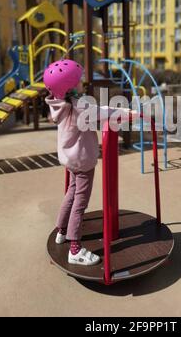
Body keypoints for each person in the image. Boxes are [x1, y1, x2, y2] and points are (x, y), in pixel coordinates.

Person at [44, 59, 133, 267]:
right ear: (70, 86)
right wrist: (126, 113)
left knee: (71, 193)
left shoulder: (61, 104)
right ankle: (75, 249)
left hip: (70, 159)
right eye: (79, 80)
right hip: (83, 161)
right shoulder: (79, 106)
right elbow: (102, 113)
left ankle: (61, 231)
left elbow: (96, 109)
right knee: (80, 203)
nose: (82, 82)